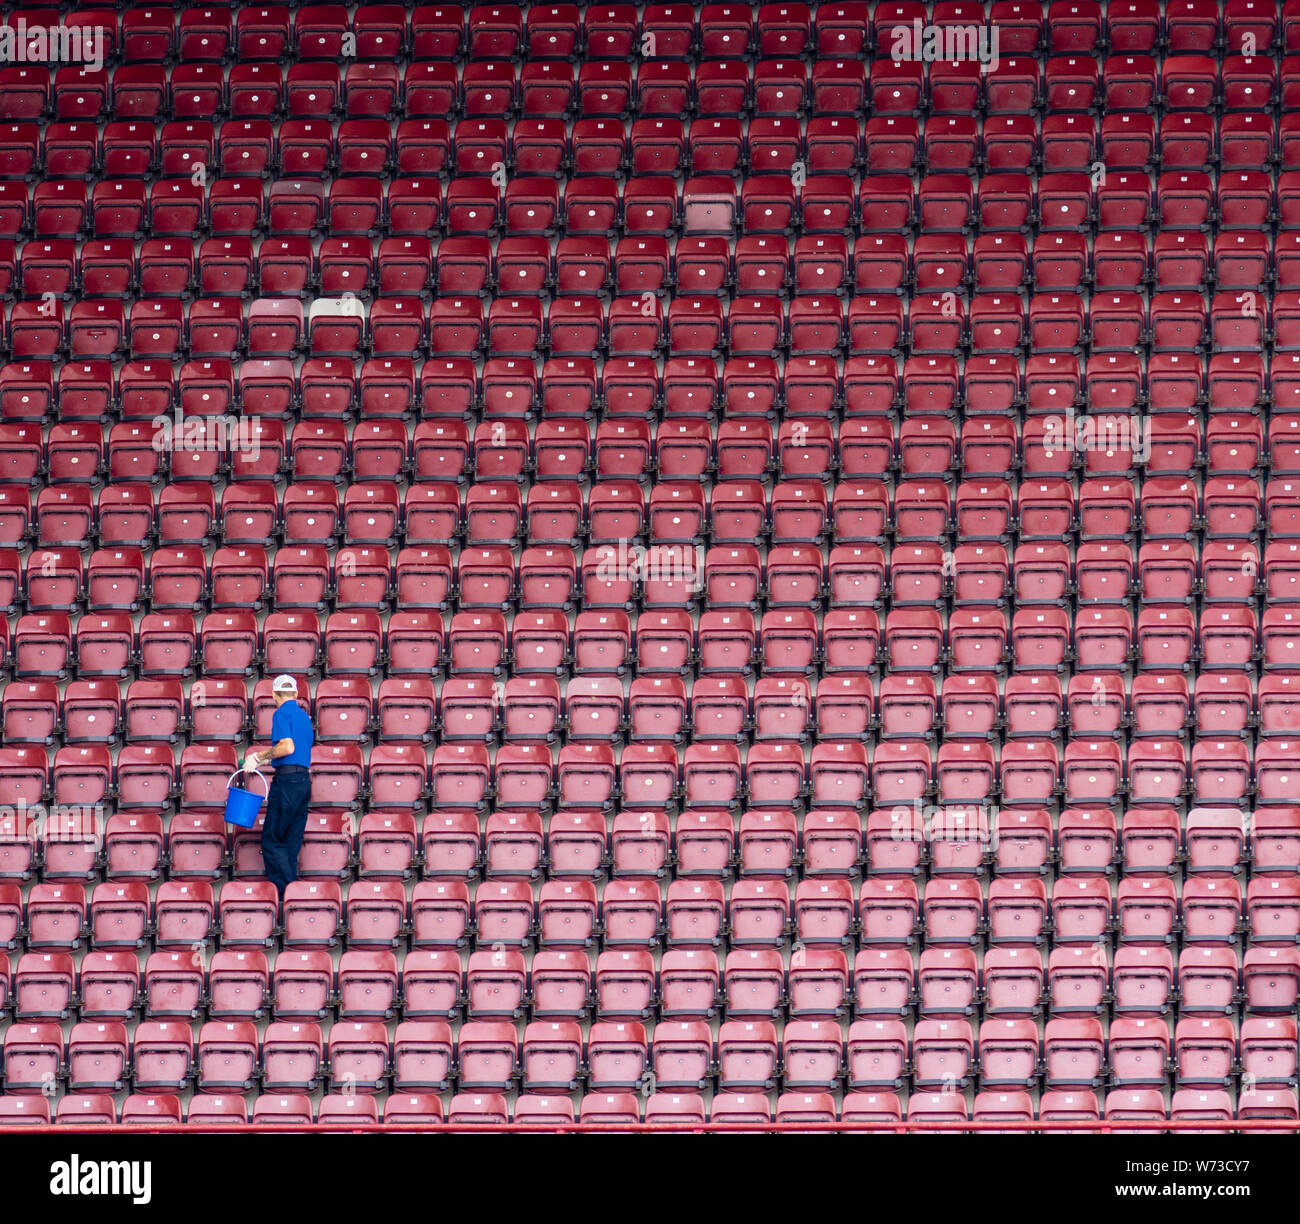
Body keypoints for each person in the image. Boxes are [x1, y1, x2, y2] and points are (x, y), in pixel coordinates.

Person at [245, 674, 314, 898]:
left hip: (287, 781)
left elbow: (287, 747)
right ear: (296, 694)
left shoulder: (281, 713)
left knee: (272, 839)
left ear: (275, 695)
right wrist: (264, 760)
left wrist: (259, 755)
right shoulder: (304, 717)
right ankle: (292, 893)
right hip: (303, 781)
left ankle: (286, 894)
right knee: (292, 839)